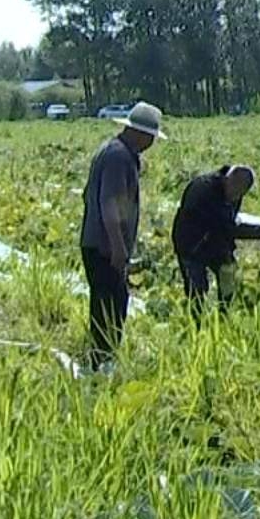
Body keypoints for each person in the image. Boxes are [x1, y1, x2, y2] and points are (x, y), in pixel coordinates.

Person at [80, 101, 165, 370]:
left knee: (108, 304)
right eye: (151, 138)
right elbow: (109, 203)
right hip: (104, 247)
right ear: (141, 134)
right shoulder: (119, 157)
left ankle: (101, 360)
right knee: (111, 309)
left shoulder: (112, 150)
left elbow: (89, 196)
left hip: (95, 242)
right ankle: (102, 363)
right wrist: (117, 246)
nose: (151, 144)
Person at [170, 165, 260, 320]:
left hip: (214, 241)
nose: (236, 196)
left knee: (229, 276)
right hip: (191, 242)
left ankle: (223, 317)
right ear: (227, 180)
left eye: (241, 193)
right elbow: (228, 228)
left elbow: (227, 224)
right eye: (235, 190)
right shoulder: (204, 190)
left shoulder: (233, 191)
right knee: (197, 289)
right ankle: (195, 325)